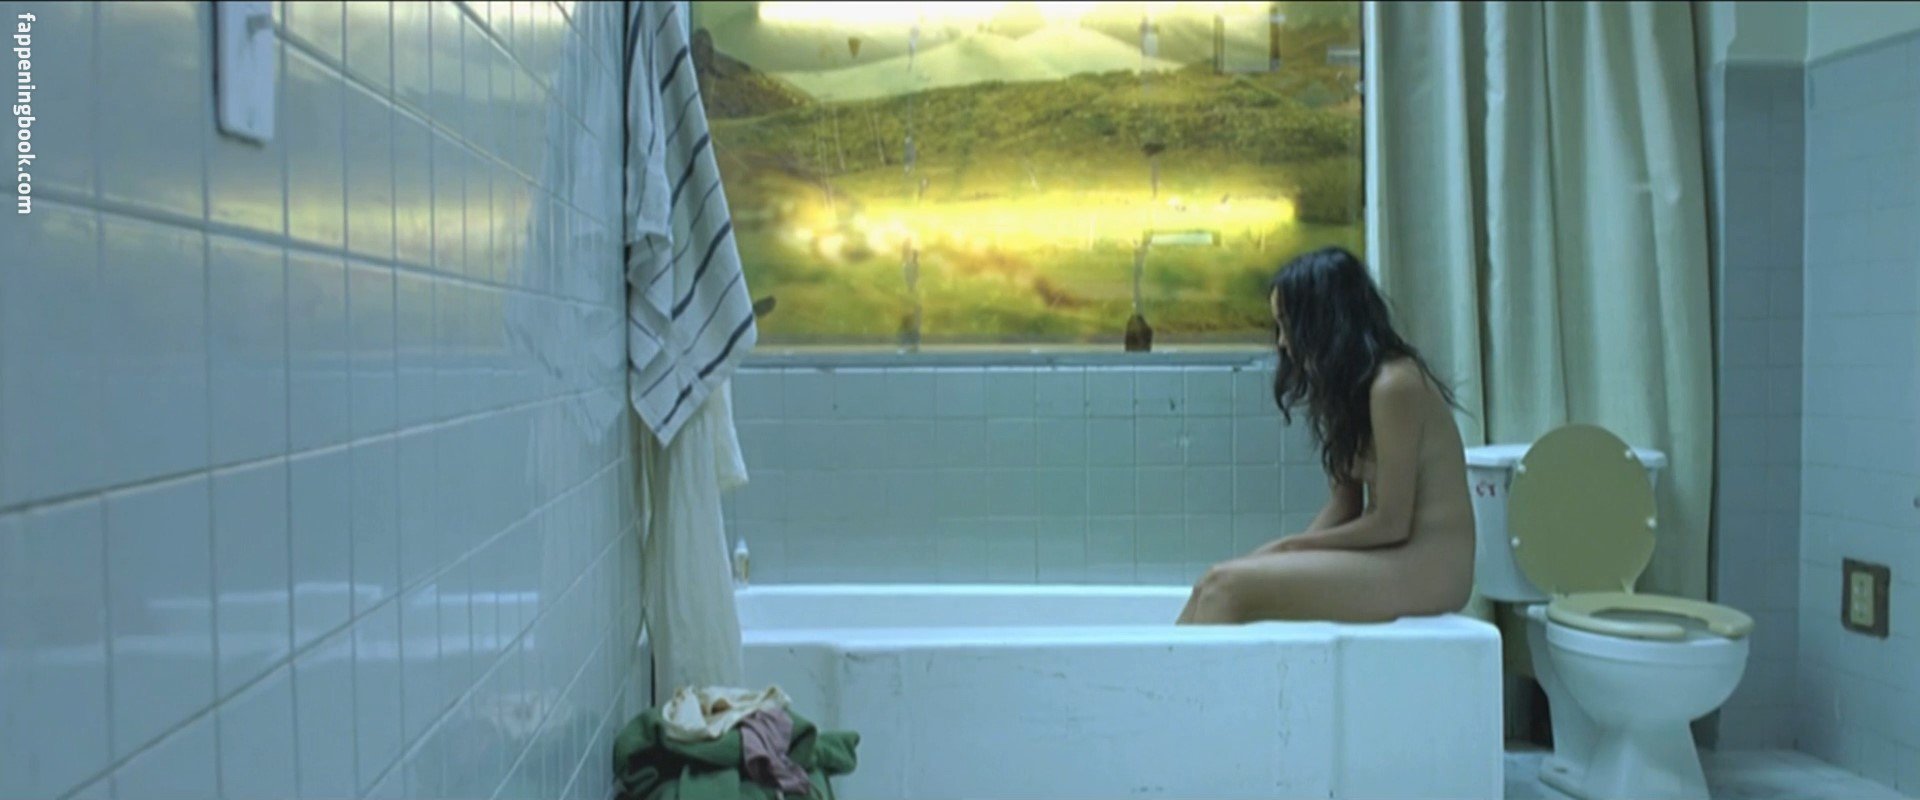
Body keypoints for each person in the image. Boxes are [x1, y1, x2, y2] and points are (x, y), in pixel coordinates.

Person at [1176, 247, 1475, 625]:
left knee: (1227, 588)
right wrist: (1277, 558)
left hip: (1431, 567)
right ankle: (1162, 666)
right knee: (1213, 581)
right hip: (1391, 557)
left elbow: (1392, 523)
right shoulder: (1347, 387)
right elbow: (1343, 507)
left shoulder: (1395, 385)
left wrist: (1290, 547)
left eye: (1287, 324)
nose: (1281, 342)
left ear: (1322, 321)